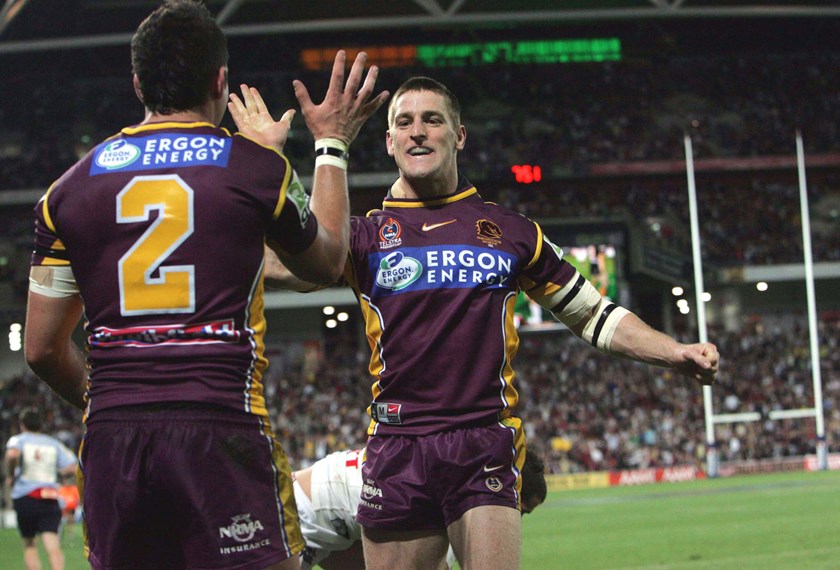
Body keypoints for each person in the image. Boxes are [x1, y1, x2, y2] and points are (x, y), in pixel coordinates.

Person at [257, 76, 719, 569]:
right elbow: (268, 264)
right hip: (396, 447)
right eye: (404, 122)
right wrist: (259, 166)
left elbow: (593, 314)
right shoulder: (361, 237)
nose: (418, 132)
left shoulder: (512, 232)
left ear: (458, 135)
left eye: (432, 120)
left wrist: (674, 351)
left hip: (482, 442)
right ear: (389, 142)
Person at [22, 1, 387, 569]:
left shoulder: (65, 192)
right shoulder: (254, 169)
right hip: (221, 426)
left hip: (116, 437)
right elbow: (325, 261)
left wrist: (111, 402)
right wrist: (331, 143)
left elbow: (43, 349)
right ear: (220, 81)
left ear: (138, 82)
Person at [292, 448, 547, 570]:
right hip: (298, 513)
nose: (517, 520)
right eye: (521, 511)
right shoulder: (448, 497)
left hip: (332, 527)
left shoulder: (452, 467)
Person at [4, 407, 78, 570]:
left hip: (26, 496)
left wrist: (10, 475)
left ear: (22, 424)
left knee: (30, 544)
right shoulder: (53, 443)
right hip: (49, 496)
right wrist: (57, 472)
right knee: (53, 544)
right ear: (41, 425)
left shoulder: (18, 440)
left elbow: (12, 455)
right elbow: (73, 466)